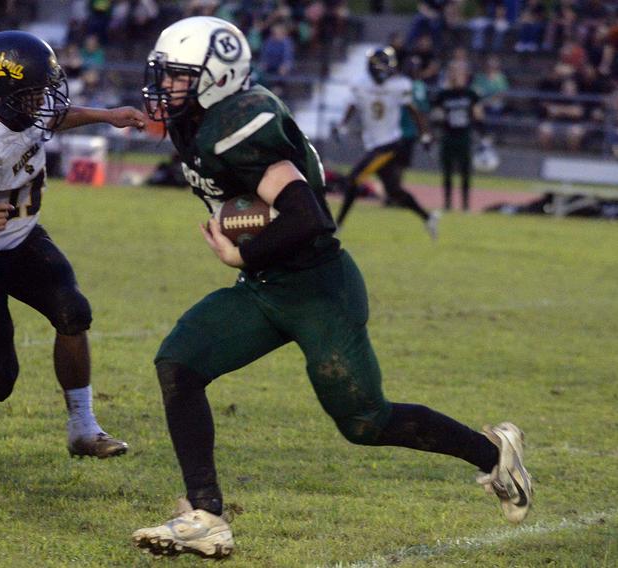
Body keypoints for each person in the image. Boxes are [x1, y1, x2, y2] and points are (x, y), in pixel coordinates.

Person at [130, 16, 533, 559]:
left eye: (178, 75)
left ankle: (492, 453)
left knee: (365, 422)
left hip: (320, 290)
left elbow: (309, 216)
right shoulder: (195, 120)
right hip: (265, 286)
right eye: (165, 74)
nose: (166, 86)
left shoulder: (239, 123)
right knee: (179, 364)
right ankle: (206, 515)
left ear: (217, 78)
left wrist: (241, 249)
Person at [0, 30, 146, 482]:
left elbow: (52, 118)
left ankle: (83, 427)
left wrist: (109, 116)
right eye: (33, 93)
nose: (44, 100)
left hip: (23, 237)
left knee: (73, 312)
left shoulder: (20, 107)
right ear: (2, 96)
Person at [334, 46, 440, 239]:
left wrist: (425, 135)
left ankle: (337, 227)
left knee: (353, 181)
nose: (387, 73)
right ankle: (428, 217)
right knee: (394, 192)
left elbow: (414, 112)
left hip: (390, 144)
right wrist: (342, 125)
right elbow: (352, 105)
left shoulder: (400, 85)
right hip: (373, 144)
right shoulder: (360, 84)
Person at [432, 61, 484, 211]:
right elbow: (436, 115)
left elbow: (478, 115)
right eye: (453, 72)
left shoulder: (470, 94)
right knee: (447, 171)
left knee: (465, 172)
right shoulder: (443, 95)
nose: (455, 76)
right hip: (448, 136)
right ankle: (447, 203)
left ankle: (465, 204)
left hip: (464, 136)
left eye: (458, 72)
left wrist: (483, 135)